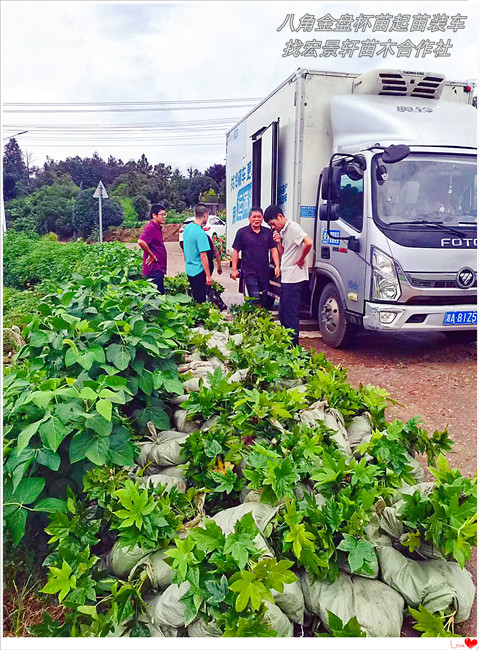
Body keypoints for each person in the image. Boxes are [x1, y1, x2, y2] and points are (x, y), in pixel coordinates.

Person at [263, 205, 313, 345]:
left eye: (273, 224)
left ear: (280, 217)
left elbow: (309, 242)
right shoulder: (284, 231)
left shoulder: (294, 228)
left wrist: (302, 258)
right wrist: (279, 242)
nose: (273, 227)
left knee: (290, 315)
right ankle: (287, 344)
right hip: (287, 278)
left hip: (294, 279)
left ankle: (293, 347)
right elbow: (283, 253)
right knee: (283, 314)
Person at [230, 206, 280, 307]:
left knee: (265, 298)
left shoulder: (267, 232)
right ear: (249, 218)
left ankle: (260, 317)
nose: (256, 219)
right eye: (254, 217)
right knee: (255, 297)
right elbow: (235, 251)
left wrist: (277, 266)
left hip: (264, 272)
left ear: (262, 219)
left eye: (259, 217)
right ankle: (255, 318)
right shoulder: (242, 233)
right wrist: (234, 269)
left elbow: (273, 249)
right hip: (249, 271)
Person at [182, 203, 213, 302]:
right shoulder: (200, 233)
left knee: (195, 297)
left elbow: (185, 248)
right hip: (198, 271)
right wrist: (208, 275)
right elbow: (203, 256)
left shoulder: (187, 229)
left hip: (189, 269)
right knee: (201, 301)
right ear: (205, 215)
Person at [137, 203, 167, 293]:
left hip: (159, 267)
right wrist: (151, 255)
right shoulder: (151, 227)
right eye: (162, 215)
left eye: (165, 215)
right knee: (158, 295)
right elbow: (141, 241)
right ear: (154, 215)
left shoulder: (157, 227)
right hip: (154, 268)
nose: (164, 217)